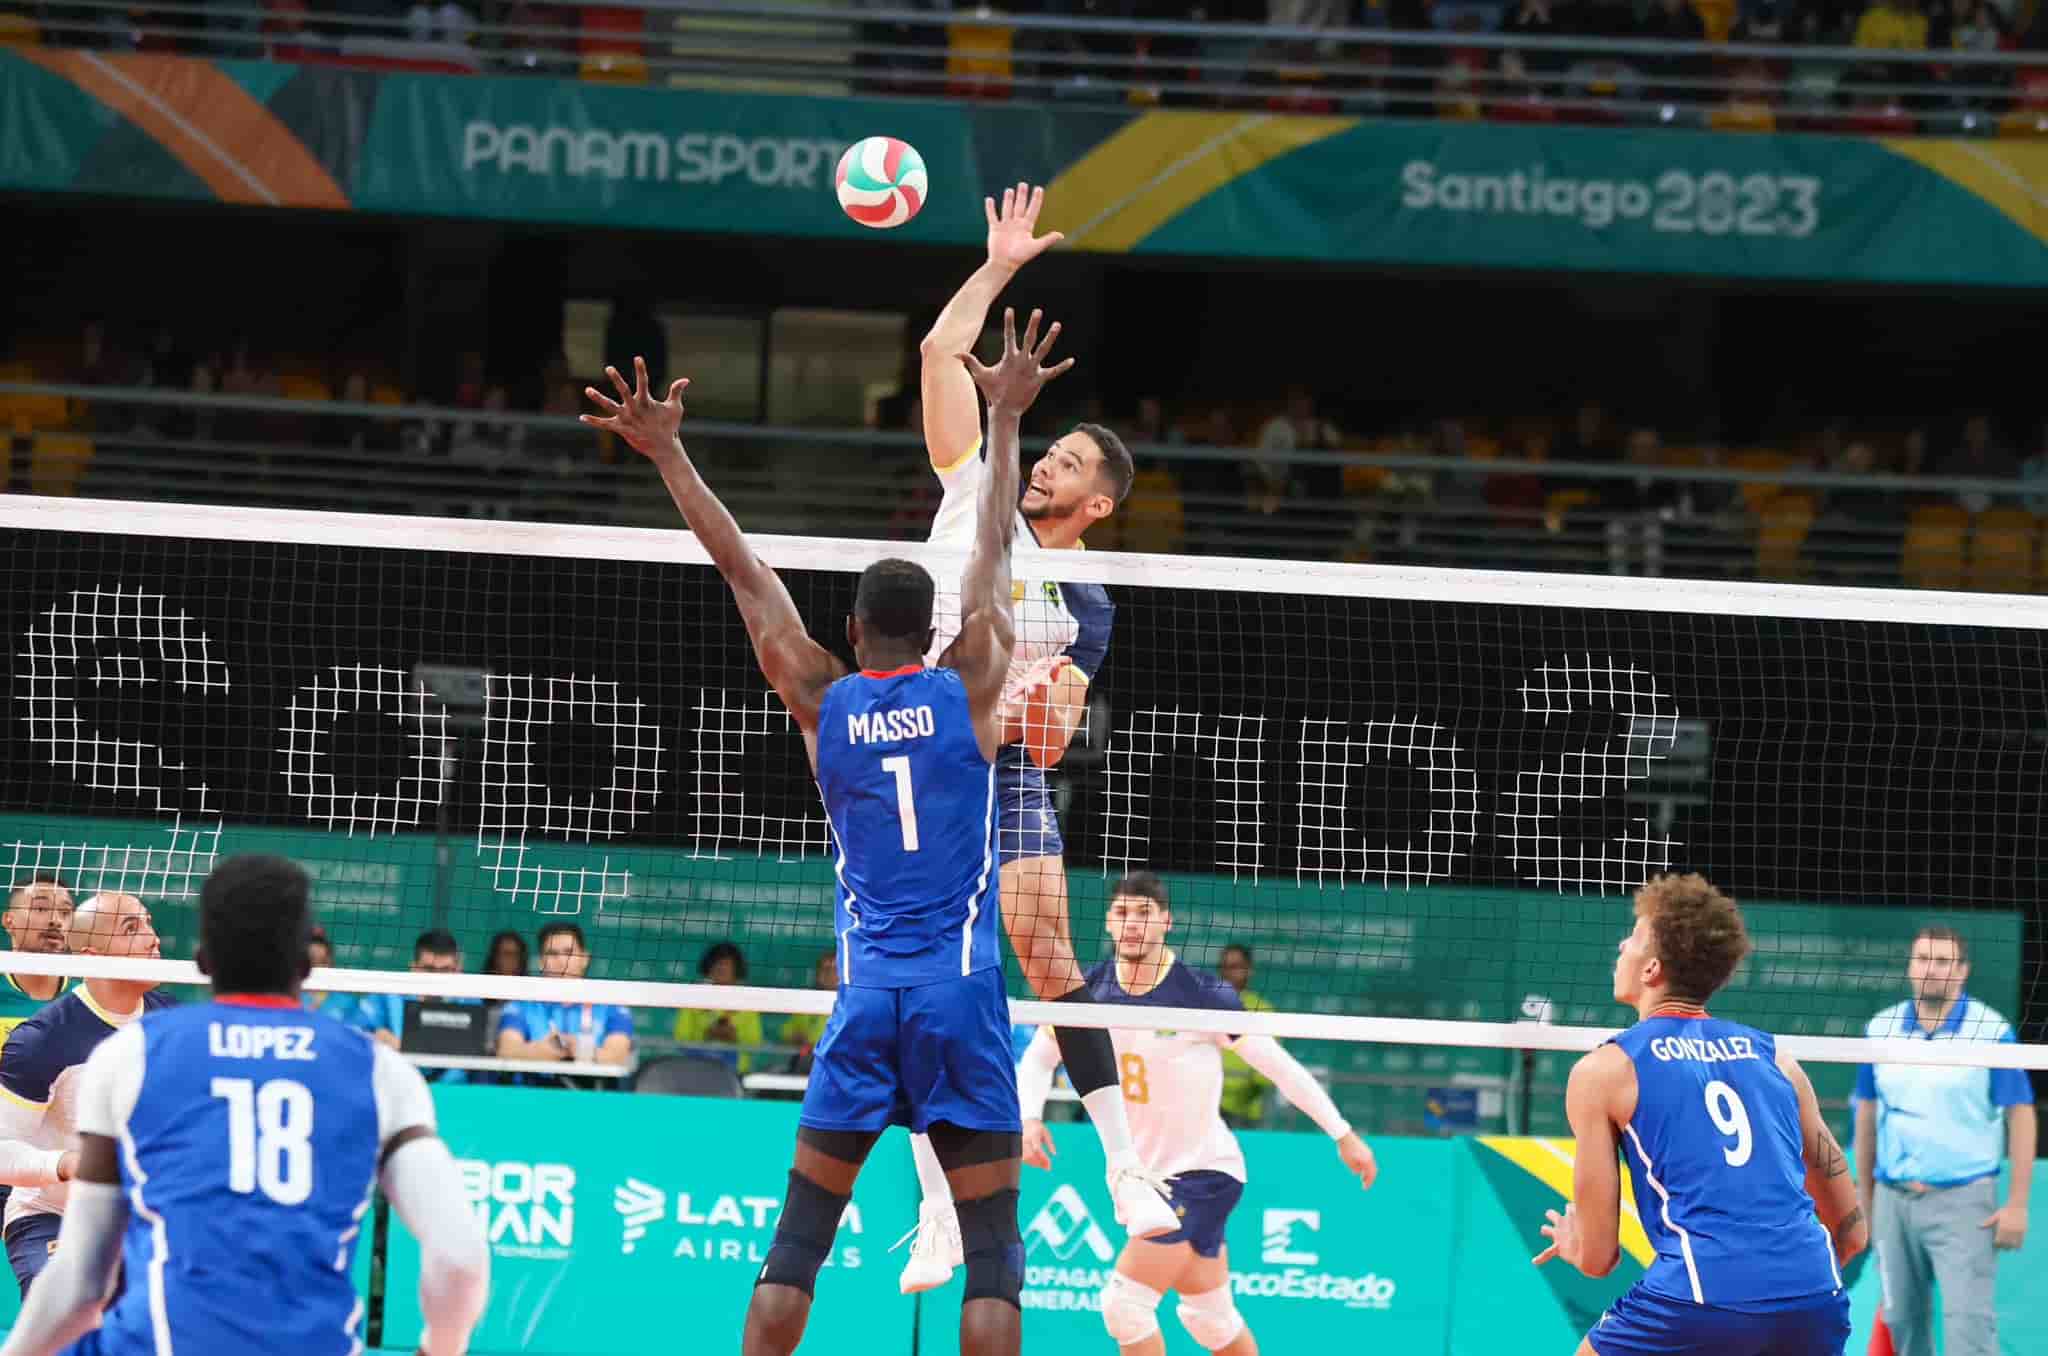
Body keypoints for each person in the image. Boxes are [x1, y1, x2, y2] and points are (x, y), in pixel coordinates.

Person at [580, 306, 1071, 1356]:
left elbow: (743, 574)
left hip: (864, 1002)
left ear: (850, 633)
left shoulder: (821, 697)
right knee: (991, 1252)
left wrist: (667, 452)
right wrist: (1005, 417)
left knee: (797, 1245)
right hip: (958, 998)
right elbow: (989, 549)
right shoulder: (971, 684)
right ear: (934, 629)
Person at [905, 181, 1169, 1293]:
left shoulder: (1089, 602)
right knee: (916, 978)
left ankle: (1123, 1171)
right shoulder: (973, 488)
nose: (1049, 460)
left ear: (1098, 502)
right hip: (916, 744)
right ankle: (929, 1211)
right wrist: (1000, 265)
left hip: (1004, 764)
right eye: (1047, 446)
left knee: (1048, 949)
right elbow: (938, 351)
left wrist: (1040, 707)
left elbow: (1054, 735)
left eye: (1070, 460)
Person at [0, 853, 489, 1356]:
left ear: (203, 958)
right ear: (308, 961)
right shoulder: (380, 1070)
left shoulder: (137, 1052)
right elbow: (461, 1256)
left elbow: (81, 1283)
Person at [1017, 871, 1376, 1355]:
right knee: (1210, 1320)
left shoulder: (1203, 994)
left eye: (1145, 914)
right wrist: (1029, 1116)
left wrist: (1342, 1132)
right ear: (1107, 922)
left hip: (1203, 1174)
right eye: (1123, 914)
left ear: (1167, 922)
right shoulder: (1089, 993)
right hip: (1145, 1179)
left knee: (1124, 1306)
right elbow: (1040, 1055)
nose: (1133, 925)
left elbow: (1280, 1067)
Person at [1535, 873, 1867, 1356]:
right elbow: (1851, 1232)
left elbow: (1598, 1257)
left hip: (1701, 1293)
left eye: (1634, 937)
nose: (1622, 945)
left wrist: (1573, 1243)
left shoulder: (1604, 1071)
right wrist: (1780, 1285)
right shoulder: (1777, 1059)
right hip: (1815, 1295)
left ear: (1651, 969)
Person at [1852, 926, 2034, 1356]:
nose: (1930, 970)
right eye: (1922, 959)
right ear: (1910, 967)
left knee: (1968, 1333)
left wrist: (2018, 1204)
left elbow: (2020, 1113)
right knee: (1900, 1325)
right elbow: (1867, 1113)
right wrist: (1866, 1197)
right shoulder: (1881, 1028)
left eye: (1942, 961)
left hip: (1965, 1203)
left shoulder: (1992, 1031)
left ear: (1962, 970)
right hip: (1893, 1202)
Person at [0, 892, 172, 1299]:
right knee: (71, 1307)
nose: (153, 939)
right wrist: (71, 1164)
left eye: (148, 923)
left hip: (143, 1215)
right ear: (93, 956)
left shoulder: (171, 1024)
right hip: (55, 1214)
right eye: (133, 929)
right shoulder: (43, 1039)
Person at [495, 922, 634, 1070]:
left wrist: (580, 1050)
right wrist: (539, 1051)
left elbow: (618, 1055)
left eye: (568, 953)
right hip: (533, 1089)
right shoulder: (521, 1005)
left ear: (585, 958)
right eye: (552, 954)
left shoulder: (611, 1005)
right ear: (541, 962)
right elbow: (506, 1050)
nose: (562, 961)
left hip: (593, 1091)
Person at [353, 930, 478, 1085]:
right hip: (395, 1086)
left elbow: (477, 1053)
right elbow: (354, 1031)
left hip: (453, 1093)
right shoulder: (386, 996)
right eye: (429, 969)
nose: (437, 978)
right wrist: (376, 1037)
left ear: (458, 971)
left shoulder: (470, 1002)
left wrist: (403, 1047)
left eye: (445, 970)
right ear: (414, 968)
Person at [0, 876, 77, 1042]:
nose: (56, 921)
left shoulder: (86, 999)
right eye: (41, 909)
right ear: (9, 921)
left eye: (65, 913)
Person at [673, 941, 766, 1073]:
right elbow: (680, 1038)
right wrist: (706, 1034)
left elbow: (755, 1042)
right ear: (708, 968)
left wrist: (734, 1037)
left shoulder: (747, 1001)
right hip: (697, 1070)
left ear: (736, 969)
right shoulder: (694, 999)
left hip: (736, 1074)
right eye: (717, 963)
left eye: (727, 964)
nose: (722, 968)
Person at [1214, 943, 1274, 1128]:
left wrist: (1245, 1092)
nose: (1229, 972)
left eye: (1235, 966)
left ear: (1249, 970)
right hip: (1207, 1103)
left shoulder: (1262, 1010)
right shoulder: (1206, 1004)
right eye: (1225, 967)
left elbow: (1267, 1066)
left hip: (1244, 1110)